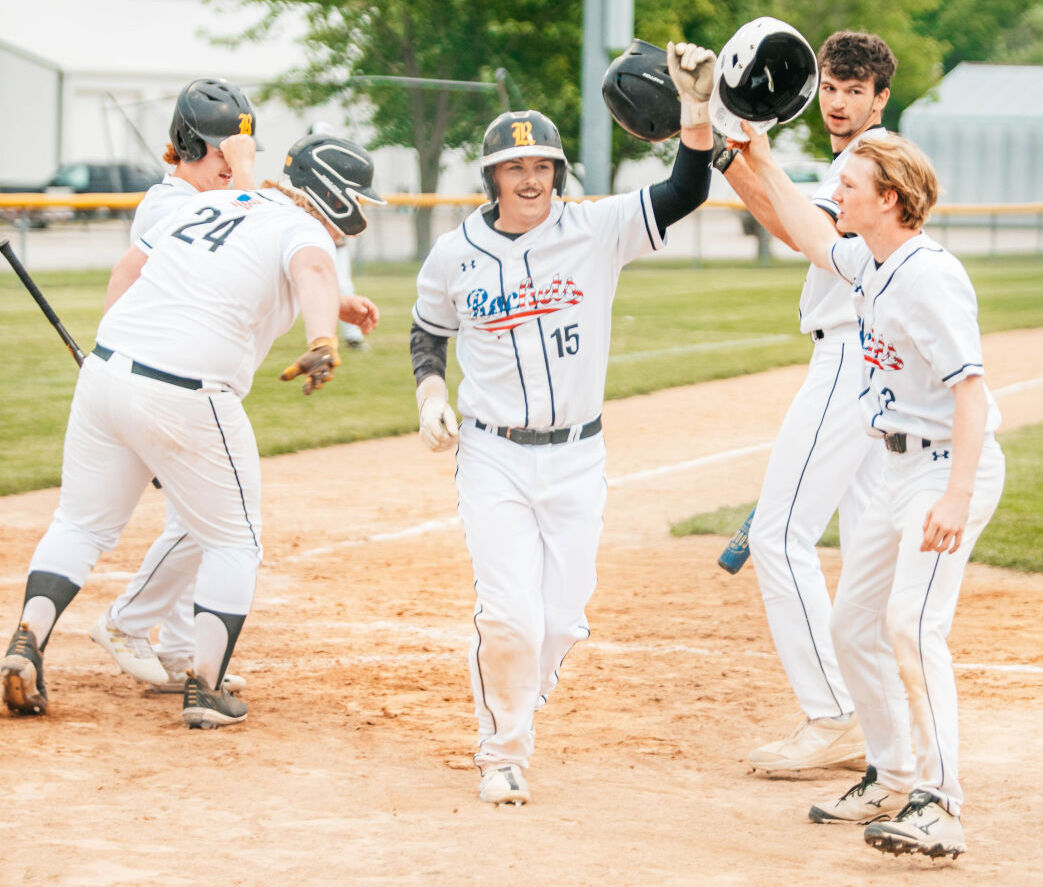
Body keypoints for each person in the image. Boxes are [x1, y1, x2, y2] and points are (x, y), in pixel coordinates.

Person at [408, 40, 717, 805]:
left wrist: (696, 110)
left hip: (578, 455)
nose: (531, 178)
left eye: (542, 166)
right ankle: (501, 749)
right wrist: (426, 391)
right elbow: (427, 329)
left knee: (563, 621)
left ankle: (514, 701)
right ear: (492, 177)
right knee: (508, 615)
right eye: (516, 168)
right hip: (494, 455)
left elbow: (684, 187)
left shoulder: (597, 228)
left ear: (556, 173)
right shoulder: (455, 254)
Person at [1, 133, 382, 728]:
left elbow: (135, 266)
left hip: (108, 371)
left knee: (80, 525)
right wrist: (322, 338)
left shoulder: (214, 203)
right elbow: (309, 265)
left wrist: (335, 304)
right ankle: (205, 689)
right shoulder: (303, 231)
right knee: (235, 541)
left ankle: (26, 641)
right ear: (335, 195)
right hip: (189, 390)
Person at [740, 126, 1005, 859]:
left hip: (944, 468)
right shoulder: (872, 260)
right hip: (894, 467)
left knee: (911, 625)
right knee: (852, 625)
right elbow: (808, 233)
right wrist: (755, 156)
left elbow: (973, 395)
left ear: (888, 198)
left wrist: (953, 498)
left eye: (849, 187)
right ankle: (889, 773)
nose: (837, 197)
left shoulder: (927, 275)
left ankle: (939, 802)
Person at [714, 31, 898, 771]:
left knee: (779, 536)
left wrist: (725, 147)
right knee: (860, 553)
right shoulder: (858, 159)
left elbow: (801, 233)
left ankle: (830, 714)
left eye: (855, 89)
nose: (838, 100)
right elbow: (787, 211)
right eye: (829, 86)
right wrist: (733, 148)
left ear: (880, 97)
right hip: (869, 357)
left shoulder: (870, 158)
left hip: (850, 353)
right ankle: (881, 725)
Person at [89, 78, 260, 695]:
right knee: (208, 520)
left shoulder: (186, 199)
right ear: (194, 149)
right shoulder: (169, 204)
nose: (234, 163)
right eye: (224, 151)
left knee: (197, 518)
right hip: (159, 379)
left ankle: (186, 648)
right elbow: (245, 229)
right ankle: (126, 622)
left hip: (177, 376)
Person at [309, 121, 370, 351]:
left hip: (337, 244)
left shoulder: (341, 172)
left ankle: (352, 336)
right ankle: (319, 339)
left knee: (343, 286)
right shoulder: (304, 173)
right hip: (312, 243)